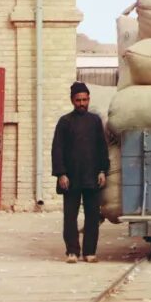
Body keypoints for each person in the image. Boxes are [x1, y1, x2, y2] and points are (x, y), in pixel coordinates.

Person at [51, 81, 110, 264]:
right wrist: (61, 174)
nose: (81, 103)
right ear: (72, 100)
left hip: (92, 177)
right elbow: (57, 149)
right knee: (70, 217)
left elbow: (102, 148)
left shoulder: (95, 121)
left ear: (89, 99)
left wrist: (102, 170)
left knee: (93, 217)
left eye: (84, 99)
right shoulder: (64, 122)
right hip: (71, 178)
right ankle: (72, 252)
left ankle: (89, 252)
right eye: (78, 100)